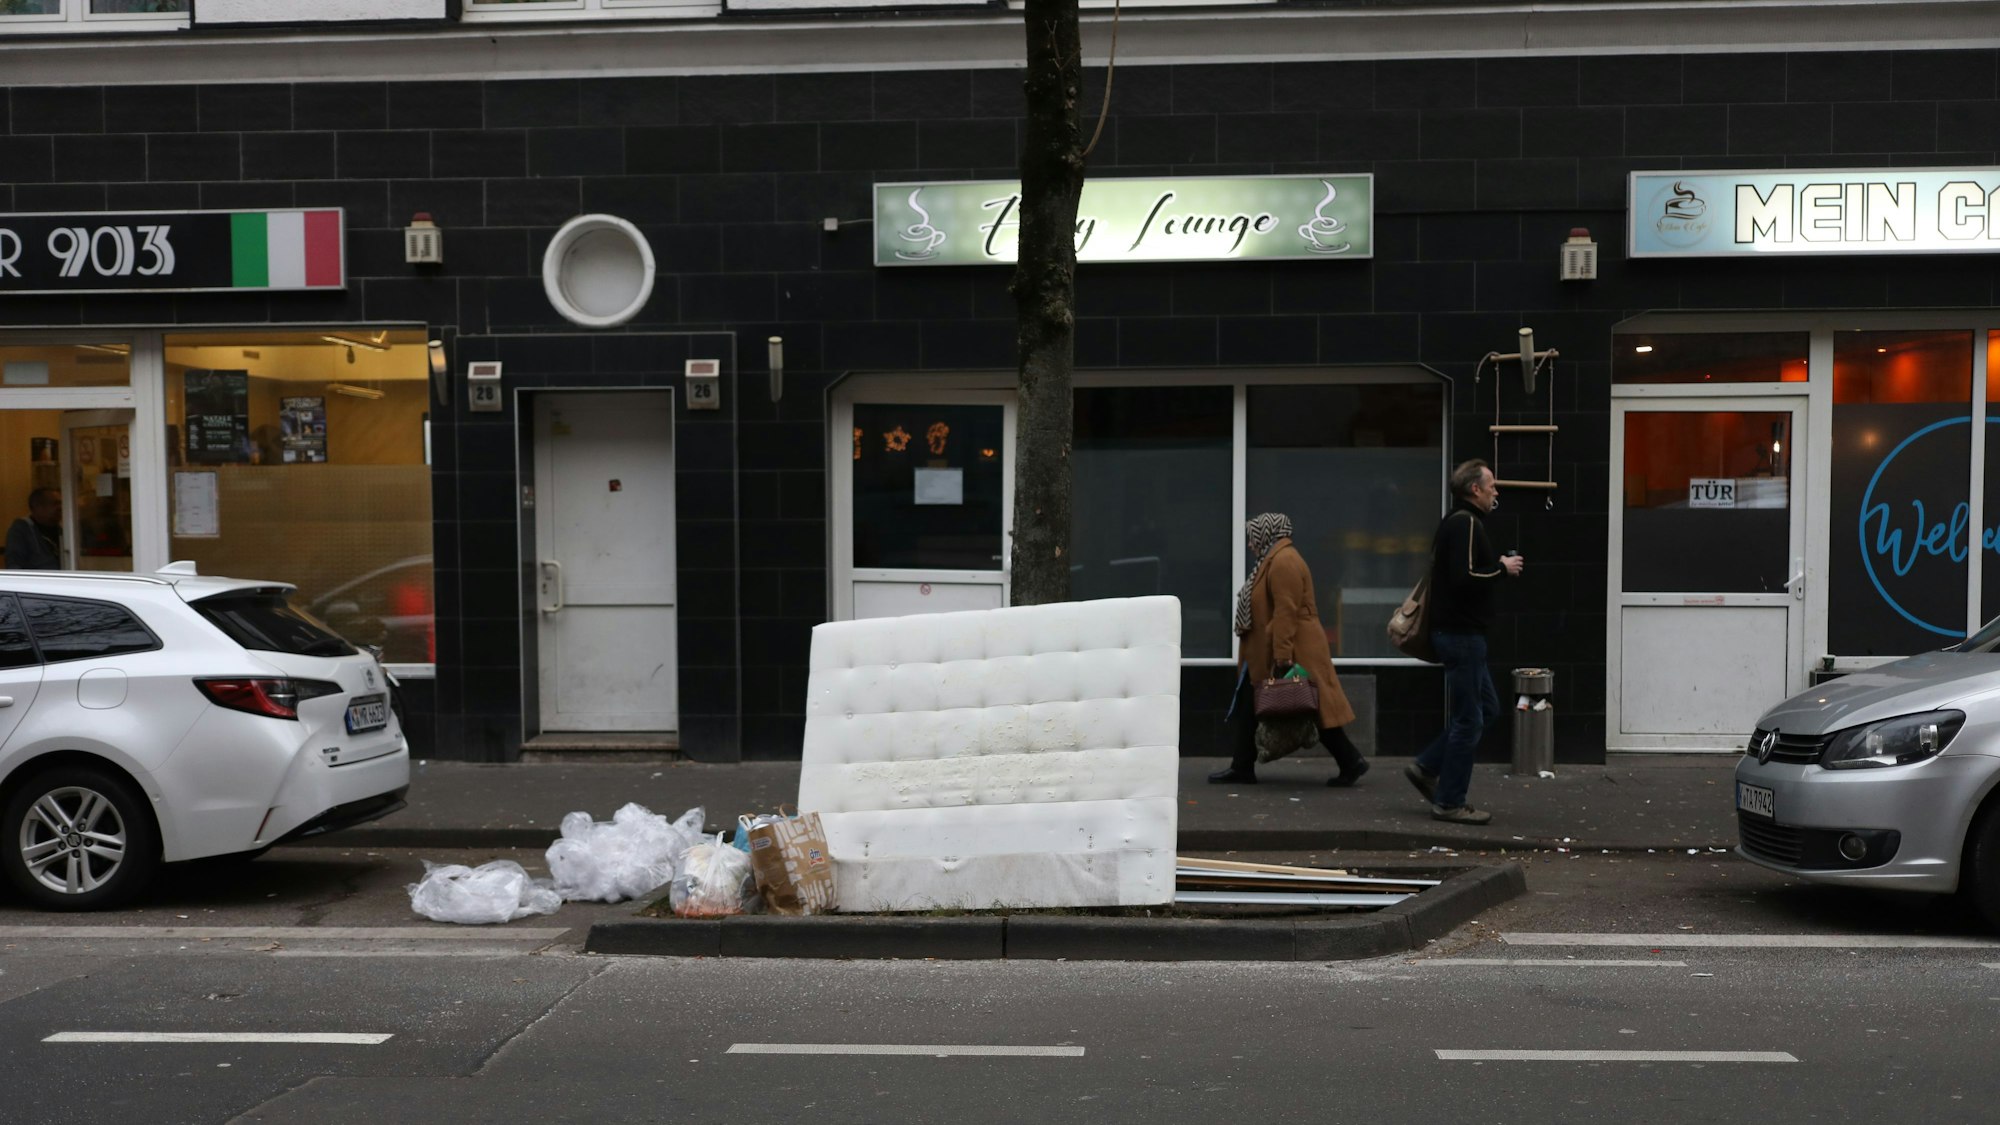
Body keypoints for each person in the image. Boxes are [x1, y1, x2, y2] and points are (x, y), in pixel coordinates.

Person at [1208, 512, 1370, 787]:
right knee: (1251, 703)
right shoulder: (1271, 560)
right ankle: (1242, 766)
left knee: (1311, 707)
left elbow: (1286, 611)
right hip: (1264, 650)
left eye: (1253, 537)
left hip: (1294, 649)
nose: (1250, 544)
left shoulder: (1284, 561)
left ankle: (1351, 761)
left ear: (1267, 534)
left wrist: (1282, 656)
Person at [1405, 460, 1524, 825]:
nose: (1495, 491)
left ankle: (1427, 767)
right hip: (1461, 636)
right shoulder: (1465, 523)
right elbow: (1464, 576)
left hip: (1460, 635)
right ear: (1475, 489)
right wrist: (1502, 568)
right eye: (1491, 485)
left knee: (1486, 709)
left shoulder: (1458, 522)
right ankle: (1449, 802)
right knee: (1469, 719)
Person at [5, 488, 63, 570]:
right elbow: (14, 565)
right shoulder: (21, 530)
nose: (60, 508)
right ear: (38, 507)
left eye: (61, 503)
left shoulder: (63, 530)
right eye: (55, 503)